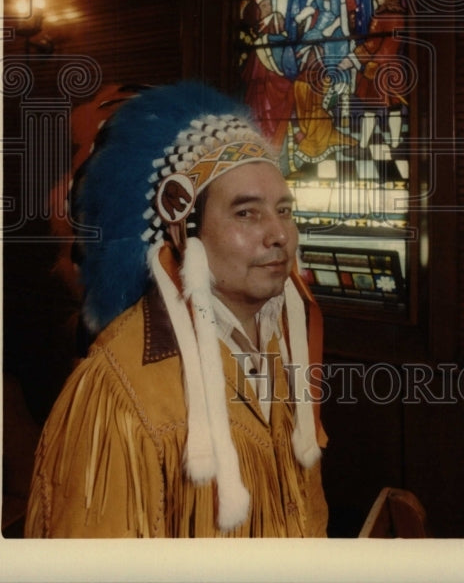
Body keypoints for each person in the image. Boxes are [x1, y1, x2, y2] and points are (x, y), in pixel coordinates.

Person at [24, 81, 328, 538]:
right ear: (182, 229)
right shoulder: (117, 392)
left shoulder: (283, 346)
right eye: (246, 213)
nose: (279, 234)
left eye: (284, 210)